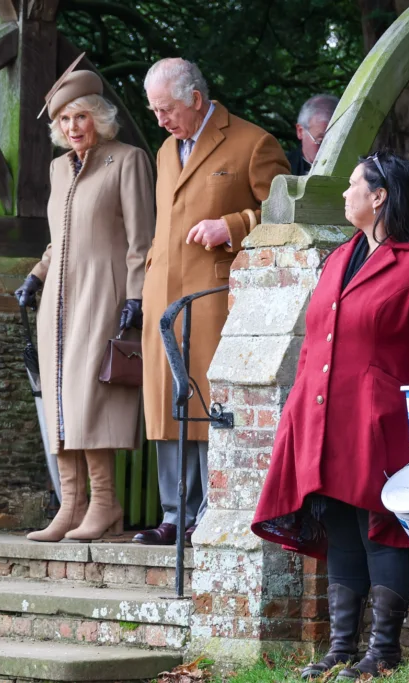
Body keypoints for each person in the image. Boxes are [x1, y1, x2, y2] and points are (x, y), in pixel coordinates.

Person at [252, 151, 409, 678]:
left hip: (386, 421)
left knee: (383, 527)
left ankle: (384, 651)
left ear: (380, 195)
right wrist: (297, 410)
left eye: (352, 186)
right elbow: (313, 343)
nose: (344, 195)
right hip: (324, 416)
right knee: (342, 527)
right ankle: (342, 649)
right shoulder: (340, 255)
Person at [132, 58, 288, 546]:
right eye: (155, 110)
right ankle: (173, 514)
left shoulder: (253, 143)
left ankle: (209, 510)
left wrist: (234, 225)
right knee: (165, 403)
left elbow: (284, 214)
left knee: (206, 401)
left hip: (216, 294)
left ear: (196, 99)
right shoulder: (163, 150)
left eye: (167, 109)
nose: (160, 120)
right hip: (163, 296)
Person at [14, 64, 154, 543]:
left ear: (99, 117)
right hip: (57, 299)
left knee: (87, 398)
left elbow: (141, 241)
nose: (73, 128)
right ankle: (70, 506)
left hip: (104, 292)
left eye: (80, 117)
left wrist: (136, 296)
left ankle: (106, 504)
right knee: (58, 397)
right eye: (64, 121)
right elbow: (61, 239)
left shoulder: (128, 159)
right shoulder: (58, 168)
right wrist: (35, 276)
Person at [287, 94, 339, 176]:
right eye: (321, 142)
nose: (330, 149)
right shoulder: (282, 167)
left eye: (337, 141)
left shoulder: (356, 169)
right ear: (300, 131)